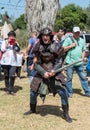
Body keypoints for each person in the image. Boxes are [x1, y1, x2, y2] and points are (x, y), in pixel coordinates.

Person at [24, 27, 72, 123]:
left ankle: (66, 113)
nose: (45, 37)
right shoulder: (38, 45)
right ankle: (32, 109)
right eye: (43, 35)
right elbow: (36, 62)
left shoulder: (56, 45)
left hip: (55, 71)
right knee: (33, 91)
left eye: (47, 36)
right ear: (41, 36)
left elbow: (59, 61)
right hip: (41, 70)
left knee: (63, 92)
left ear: (50, 36)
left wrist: (54, 70)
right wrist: (43, 72)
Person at [63, 26, 90, 97]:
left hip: (79, 63)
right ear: (73, 33)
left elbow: (83, 50)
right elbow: (63, 49)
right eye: (75, 32)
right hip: (70, 62)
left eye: (78, 32)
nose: (77, 33)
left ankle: (87, 92)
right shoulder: (68, 39)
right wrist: (71, 46)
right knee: (69, 78)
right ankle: (69, 93)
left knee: (83, 78)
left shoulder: (82, 40)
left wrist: (82, 57)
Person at [0, 31, 20, 95]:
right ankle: (7, 89)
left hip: (13, 62)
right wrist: (7, 42)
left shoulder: (16, 43)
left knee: (12, 75)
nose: (11, 37)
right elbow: (2, 49)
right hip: (5, 62)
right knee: (6, 76)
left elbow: (18, 50)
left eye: (13, 36)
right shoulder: (4, 42)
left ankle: (11, 90)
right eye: (10, 36)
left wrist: (15, 44)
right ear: (8, 36)